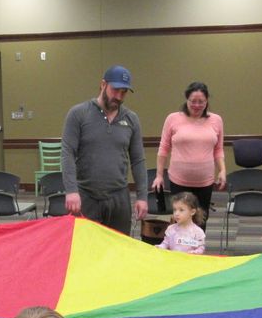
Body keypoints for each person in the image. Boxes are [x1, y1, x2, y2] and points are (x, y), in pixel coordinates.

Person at [61, 64, 148, 234]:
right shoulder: (78, 114)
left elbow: (138, 160)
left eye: (123, 92)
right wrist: (71, 190)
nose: (119, 96)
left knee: (118, 251)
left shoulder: (131, 119)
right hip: (86, 195)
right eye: (115, 90)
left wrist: (142, 197)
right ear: (103, 85)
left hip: (119, 198)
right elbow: (68, 153)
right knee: (84, 249)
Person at [151, 81, 226, 225]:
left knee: (200, 220)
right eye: (193, 101)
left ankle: (198, 248)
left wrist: (222, 170)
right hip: (179, 180)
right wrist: (159, 175)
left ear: (207, 101)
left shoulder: (216, 120)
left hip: (205, 181)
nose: (197, 105)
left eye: (201, 102)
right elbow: (164, 148)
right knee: (180, 220)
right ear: (186, 100)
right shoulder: (173, 119)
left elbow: (218, 149)